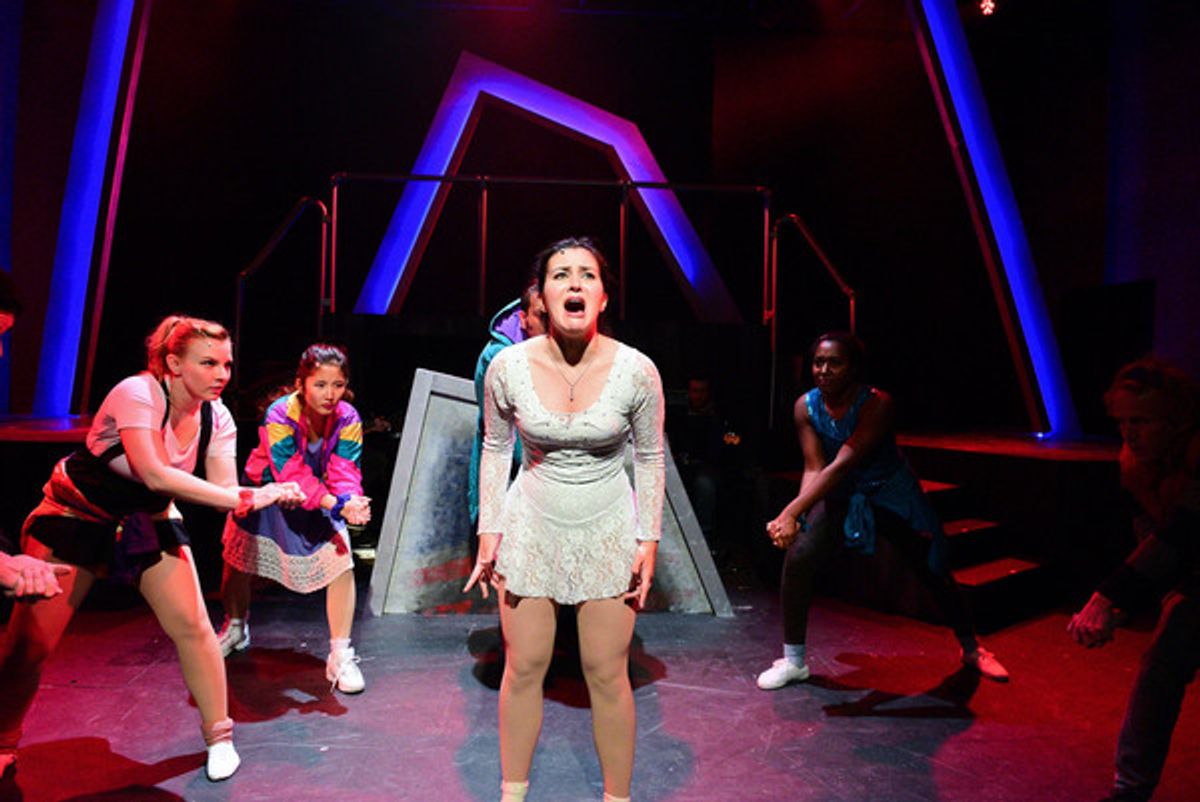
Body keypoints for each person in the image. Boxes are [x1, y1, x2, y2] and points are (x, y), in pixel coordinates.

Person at [0, 315, 304, 782]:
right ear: (173, 363)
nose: (222, 374)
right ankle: (3, 741)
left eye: (227, 364)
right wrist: (247, 497)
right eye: (208, 363)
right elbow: (156, 474)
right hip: (75, 517)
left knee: (195, 627)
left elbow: (223, 493)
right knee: (30, 646)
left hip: (149, 519)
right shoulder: (138, 393)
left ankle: (220, 738)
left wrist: (271, 493)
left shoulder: (217, 416)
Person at [464, 236, 664, 802]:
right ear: (541, 296)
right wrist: (489, 532)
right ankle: (513, 793)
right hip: (532, 522)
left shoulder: (637, 370)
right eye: (560, 275)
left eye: (587, 275)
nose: (574, 283)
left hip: (607, 524)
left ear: (603, 297)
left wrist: (648, 539)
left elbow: (650, 457)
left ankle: (617, 797)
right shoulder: (507, 366)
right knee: (524, 667)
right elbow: (495, 448)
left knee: (606, 671)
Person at [758, 331, 1008, 690]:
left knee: (932, 568)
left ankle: (971, 648)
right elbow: (815, 466)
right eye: (818, 362)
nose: (823, 370)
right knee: (799, 559)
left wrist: (790, 511)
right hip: (841, 492)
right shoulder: (805, 407)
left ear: (853, 368)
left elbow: (844, 462)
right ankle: (794, 661)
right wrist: (796, 518)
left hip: (889, 492)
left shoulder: (878, 403)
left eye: (834, 363)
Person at [1068, 357, 1200, 802]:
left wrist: (1108, 598)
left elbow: (1182, 533)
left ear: (1176, 420)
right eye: (1123, 421)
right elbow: (1154, 543)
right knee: (1161, 666)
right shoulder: (1138, 463)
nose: (1129, 433)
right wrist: (1124, 603)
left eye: (1141, 421)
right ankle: (1130, 791)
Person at [217, 344, 371, 693]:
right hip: (269, 490)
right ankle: (235, 626)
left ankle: (340, 654)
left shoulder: (347, 417)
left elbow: (345, 468)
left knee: (342, 561)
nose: (330, 394)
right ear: (301, 384)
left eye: (338, 385)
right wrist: (336, 504)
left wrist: (350, 501)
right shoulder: (279, 414)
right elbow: (290, 471)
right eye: (321, 385)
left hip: (318, 496)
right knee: (238, 559)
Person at [467, 282, 547, 525]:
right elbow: (503, 435)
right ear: (523, 319)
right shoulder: (498, 358)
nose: (550, 325)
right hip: (507, 486)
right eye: (542, 316)